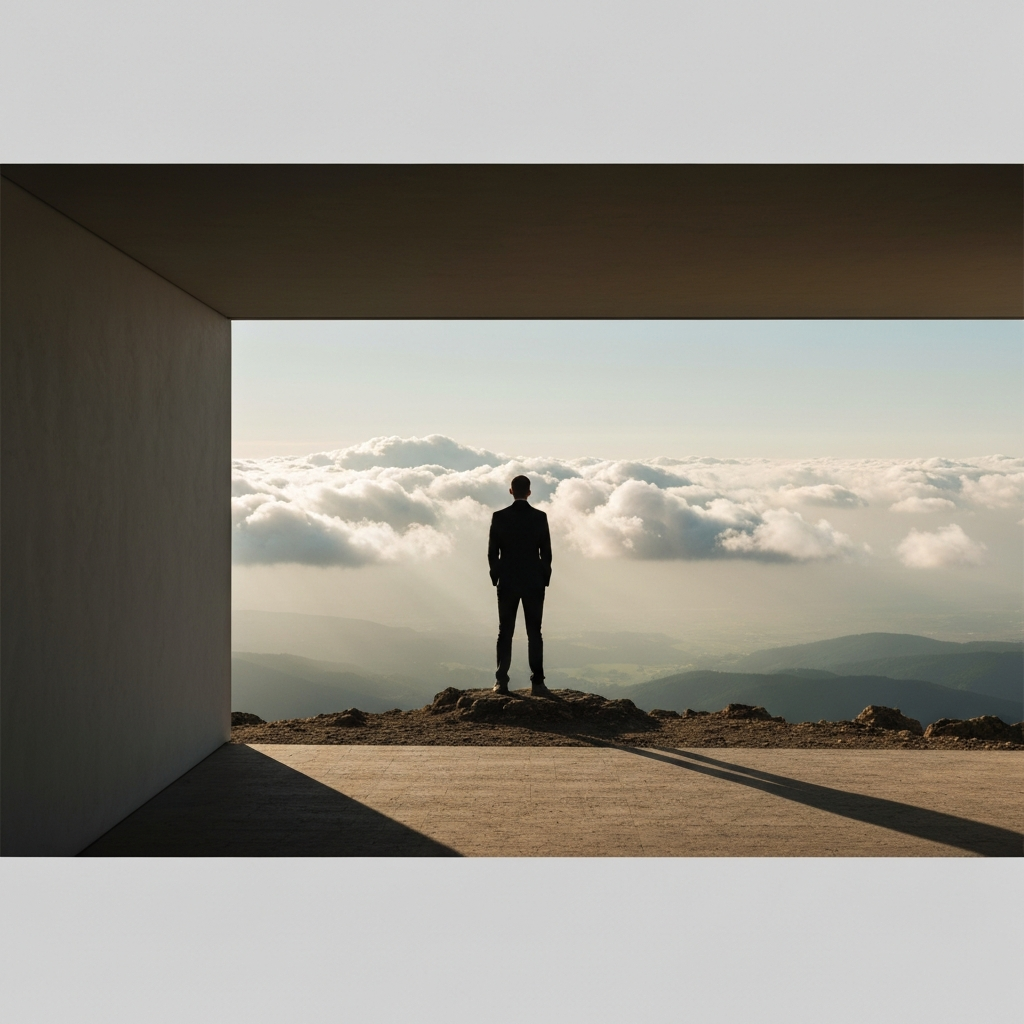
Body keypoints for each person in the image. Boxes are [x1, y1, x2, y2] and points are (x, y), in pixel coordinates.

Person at [487, 475, 553, 697]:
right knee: (535, 633)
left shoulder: (499, 517)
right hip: (534, 582)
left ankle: (501, 682)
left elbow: (492, 552)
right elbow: (546, 552)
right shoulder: (540, 517)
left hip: (507, 582)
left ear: (510, 491)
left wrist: (496, 575)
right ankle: (538, 683)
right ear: (529, 492)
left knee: (505, 632)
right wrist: (544, 576)